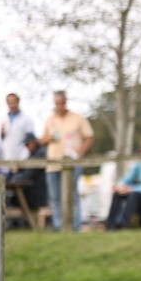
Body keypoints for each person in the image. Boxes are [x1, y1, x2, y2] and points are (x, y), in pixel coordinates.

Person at [39, 90, 94, 231]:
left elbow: (89, 137)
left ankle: (74, 228)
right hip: (52, 165)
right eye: (56, 103)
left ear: (65, 102)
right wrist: (48, 138)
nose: (58, 106)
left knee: (73, 197)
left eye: (61, 103)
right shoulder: (50, 119)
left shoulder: (78, 118)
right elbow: (41, 140)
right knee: (55, 198)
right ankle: (59, 228)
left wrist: (79, 154)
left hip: (72, 164)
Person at [5, 133, 48, 213]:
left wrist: (15, 177)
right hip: (34, 191)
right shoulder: (34, 153)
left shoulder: (40, 153)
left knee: (16, 198)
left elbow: (30, 173)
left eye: (27, 144)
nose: (26, 146)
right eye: (25, 144)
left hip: (37, 194)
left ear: (33, 142)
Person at [1, 93, 35, 159]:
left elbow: (31, 141)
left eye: (13, 101)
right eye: (9, 102)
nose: (11, 104)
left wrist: (25, 155)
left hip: (21, 157)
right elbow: (2, 138)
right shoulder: (4, 119)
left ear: (18, 102)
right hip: (6, 157)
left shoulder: (26, 118)